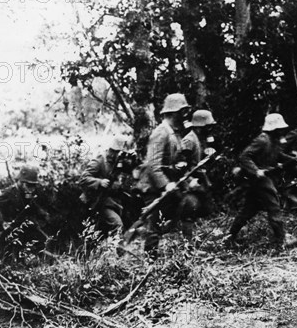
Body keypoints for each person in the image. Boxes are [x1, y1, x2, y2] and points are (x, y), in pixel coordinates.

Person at [225, 113, 297, 247]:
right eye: (280, 128)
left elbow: (277, 155)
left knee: (249, 209)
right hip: (260, 180)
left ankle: (230, 236)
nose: (282, 130)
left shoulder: (274, 140)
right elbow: (244, 156)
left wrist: (291, 160)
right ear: (273, 128)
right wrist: (256, 170)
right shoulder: (263, 140)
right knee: (274, 206)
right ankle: (281, 239)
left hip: (264, 178)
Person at [136, 93, 190, 254]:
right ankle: (149, 262)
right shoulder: (161, 132)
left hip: (166, 186)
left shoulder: (174, 133)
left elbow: (169, 161)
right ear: (173, 113)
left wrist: (178, 167)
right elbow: (153, 164)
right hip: (154, 187)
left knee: (177, 214)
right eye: (182, 111)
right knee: (153, 225)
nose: (185, 115)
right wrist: (166, 185)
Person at [0, 164, 49, 259]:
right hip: (3, 228)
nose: (32, 189)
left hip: (19, 226)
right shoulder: (9, 192)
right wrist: (1, 223)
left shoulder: (27, 192)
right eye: (29, 185)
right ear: (21, 182)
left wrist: (41, 213)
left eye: (33, 186)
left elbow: (30, 204)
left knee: (43, 239)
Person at [79, 135, 131, 234]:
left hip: (112, 201)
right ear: (114, 150)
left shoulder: (118, 161)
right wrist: (99, 182)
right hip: (99, 201)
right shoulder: (100, 160)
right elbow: (83, 178)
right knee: (117, 225)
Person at [179, 109, 217, 240]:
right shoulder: (189, 140)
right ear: (200, 127)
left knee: (206, 209)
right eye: (208, 126)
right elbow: (180, 166)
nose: (211, 129)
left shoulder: (202, 139)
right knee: (190, 209)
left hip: (201, 181)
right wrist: (189, 182)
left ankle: (172, 224)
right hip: (190, 183)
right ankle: (187, 247)